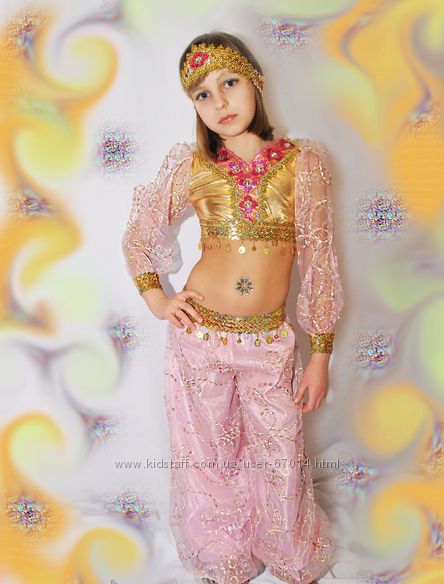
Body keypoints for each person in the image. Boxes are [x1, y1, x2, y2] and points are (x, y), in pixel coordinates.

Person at [122, 31, 344, 584]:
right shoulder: (194, 166)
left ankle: (285, 545)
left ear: (256, 82)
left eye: (229, 83)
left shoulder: (303, 163)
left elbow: (319, 259)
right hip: (200, 339)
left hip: (269, 340)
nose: (219, 101)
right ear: (193, 106)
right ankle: (223, 551)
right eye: (202, 94)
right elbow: (140, 233)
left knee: (278, 450)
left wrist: (320, 355)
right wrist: (158, 298)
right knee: (209, 453)